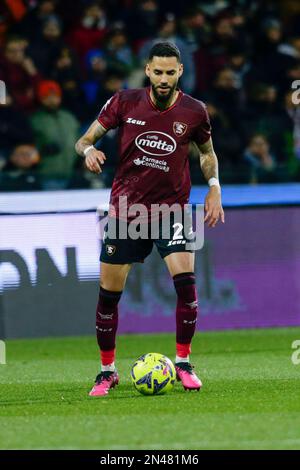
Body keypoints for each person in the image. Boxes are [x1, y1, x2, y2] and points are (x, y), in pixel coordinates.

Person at [75, 42, 224, 397]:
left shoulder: (194, 111)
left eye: (170, 72)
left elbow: (207, 153)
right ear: (147, 70)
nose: (163, 78)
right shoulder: (124, 102)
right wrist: (90, 151)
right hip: (127, 210)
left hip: (171, 209)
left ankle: (184, 364)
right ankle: (107, 371)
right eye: (157, 72)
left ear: (180, 72)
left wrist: (215, 187)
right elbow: (84, 140)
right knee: (109, 297)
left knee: (186, 287)